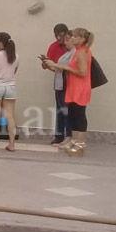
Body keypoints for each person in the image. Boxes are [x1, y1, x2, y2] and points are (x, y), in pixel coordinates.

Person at [44, 28, 93, 156]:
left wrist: (61, 66)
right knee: (72, 115)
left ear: (82, 39)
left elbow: (83, 72)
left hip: (80, 88)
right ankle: (74, 142)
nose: (71, 39)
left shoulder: (82, 52)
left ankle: (80, 145)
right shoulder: (77, 51)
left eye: (74, 37)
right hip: (73, 87)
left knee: (79, 115)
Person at [41, 23, 70, 144]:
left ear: (67, 34)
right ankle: (59, 136)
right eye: (56, 36)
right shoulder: (53, 46)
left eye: (61, 35)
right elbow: (49, 65)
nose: (59, 39)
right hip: (59, 82)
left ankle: (70, 136)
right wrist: (45, 63)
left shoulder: (72, 46)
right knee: (60, 109)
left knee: (69, 110)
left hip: (72, 82)